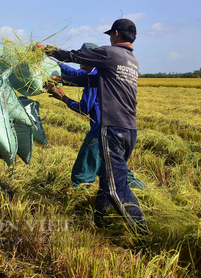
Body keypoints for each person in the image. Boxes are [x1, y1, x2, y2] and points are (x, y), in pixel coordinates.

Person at [39, 19, 148, 235]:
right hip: (129, 129)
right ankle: (98, 221)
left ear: (116, 34)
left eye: (110, 35)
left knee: (116, 188)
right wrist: (62, 79)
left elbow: (74, 56)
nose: (109, 38)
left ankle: (143, 233)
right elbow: (93, 81)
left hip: (111, 128)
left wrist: (46, 50)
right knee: (108, 180)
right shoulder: (131, 61)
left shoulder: (111, 53)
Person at [46, 42, 146, 189]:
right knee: (118, 171)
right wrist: (56, 62)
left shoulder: (93, 79)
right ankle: (142, 193)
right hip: (119, 129)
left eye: (83, 57)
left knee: (82, 175)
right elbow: (75, 74)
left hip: (99, 132)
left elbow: (84, 109)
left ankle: (82, 203)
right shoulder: (97, 72)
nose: (80, 61)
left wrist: (63, 98)